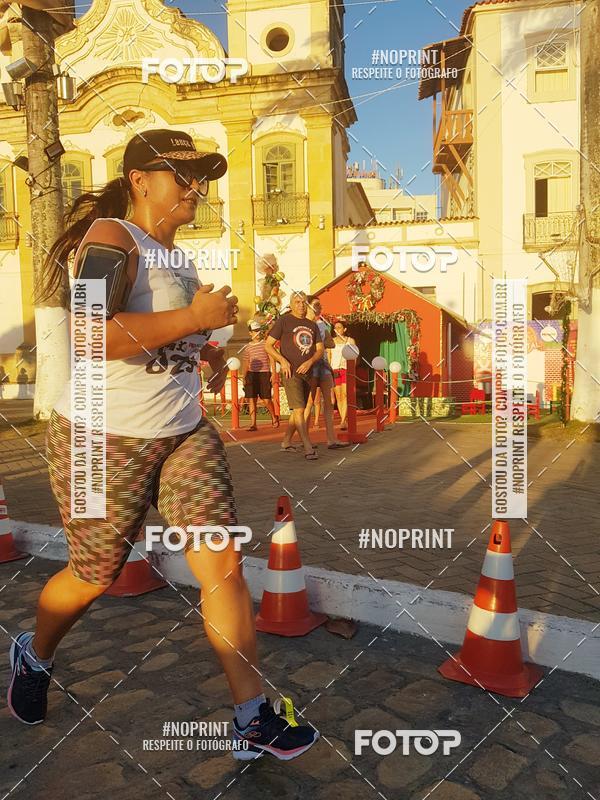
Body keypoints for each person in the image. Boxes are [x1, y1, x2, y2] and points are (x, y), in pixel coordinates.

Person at [7, 129, 319, 762]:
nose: (197, 188)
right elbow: (92, 333)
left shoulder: (179, 258)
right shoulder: (112, 237)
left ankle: (251, 717)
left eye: (202, 176)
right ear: (140, 181)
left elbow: (159, 342)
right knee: (95, 576)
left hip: (182, 433)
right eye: (183, 176)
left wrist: (201, 348)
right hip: (102, 438)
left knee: (221, 564)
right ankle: (35, 654)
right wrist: (193, 319)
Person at [264, 292, 322, 460]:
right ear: (291, 304)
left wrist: (310, 362)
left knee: (299, 408)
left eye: (303, 302)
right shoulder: (284, 321)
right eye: (297, 302)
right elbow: (268, 345)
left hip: (308, 372)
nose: (301, 305)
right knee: (299, 409)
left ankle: (286, 442)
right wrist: (282, 361)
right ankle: (307, 446)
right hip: (291, 372)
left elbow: (319, 350)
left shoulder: (312, 325)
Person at [304, 297, 349, 450]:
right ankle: (306, 440)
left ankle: (331, 439)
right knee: (309, 403)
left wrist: (324, 340)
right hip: (309, 364)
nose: (320, 307)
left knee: (328, 403)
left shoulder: (322, 324)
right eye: (316, 304)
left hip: (323, 364)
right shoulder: (302, 324)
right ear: (308, 306)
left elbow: (331, 343)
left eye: (320, 304)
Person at [242, 320, 278, 430]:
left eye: (258, 330)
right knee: (251, 399)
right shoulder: (247, 347)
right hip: (252, 375)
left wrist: (273, 372)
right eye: (255, 331)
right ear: (250, 333)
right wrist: (244, 377)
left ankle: (274, 416)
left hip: (264, 373)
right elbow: (246, 363)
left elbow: (272, 358)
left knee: (266, 399)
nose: (257, 333)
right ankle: (253, 424)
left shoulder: (266, 344)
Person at [329, 320, 356, 431]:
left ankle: (343, 420)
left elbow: (354, 356)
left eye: (339, 327)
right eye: (335, 328)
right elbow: (329, 356)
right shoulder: (331, 341)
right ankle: (343, 418)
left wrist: (352, 368)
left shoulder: (350, 341)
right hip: (334, 370)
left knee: (345, 394)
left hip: (346, 369)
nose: (337, 330)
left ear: (344, 329)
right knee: (338, 396)